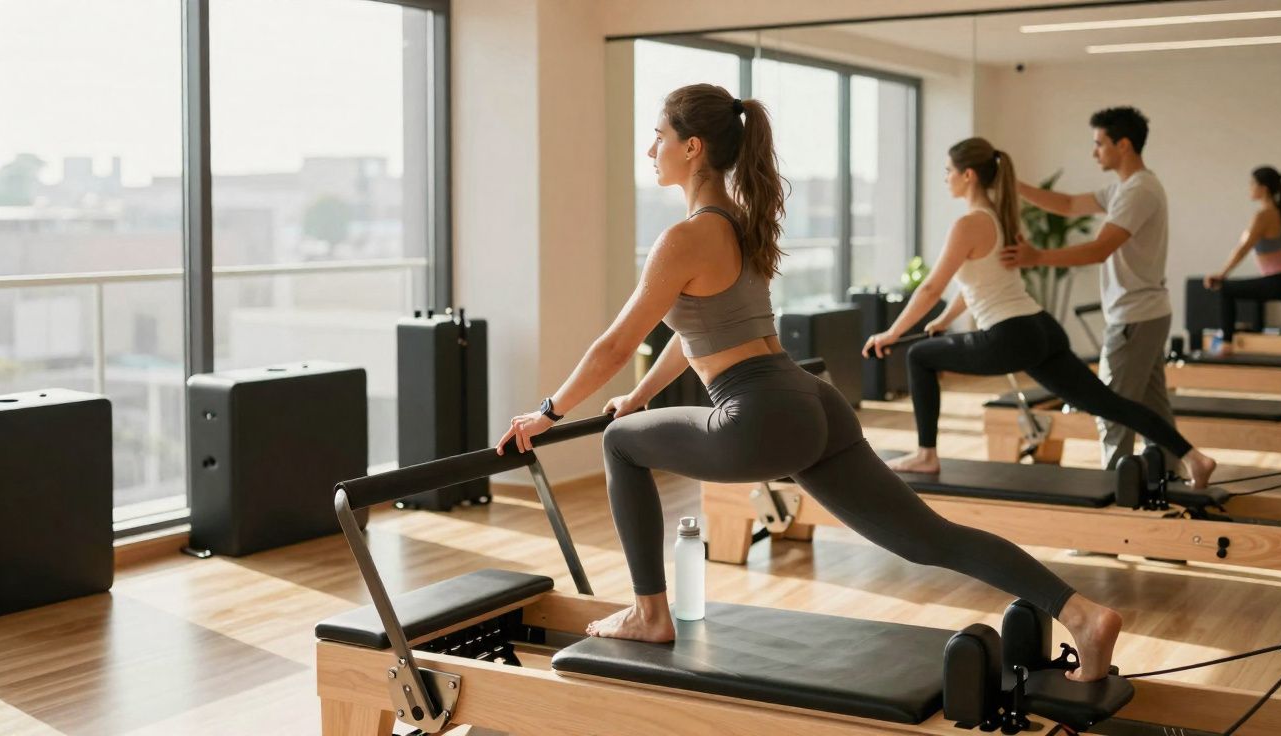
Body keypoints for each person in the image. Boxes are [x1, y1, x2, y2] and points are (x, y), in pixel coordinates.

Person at [495, 84, 1121, 681]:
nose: (648, 148)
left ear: (692, 147)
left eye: (657, 135)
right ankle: (1082, 614)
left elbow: (614, 344)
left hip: (758, 412)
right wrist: (640, 396)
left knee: (618, 443)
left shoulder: (682, 238)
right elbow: (700, 335)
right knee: (929, 538)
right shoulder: (741, 220)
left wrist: (546, 412)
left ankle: (649, 612)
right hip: (812, 402)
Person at [863, 138, 1216, 490]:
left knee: (919, 356)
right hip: (1040, 328)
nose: (945, 178)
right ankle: (1193, 457)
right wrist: (943, 320)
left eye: (948, 171)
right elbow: (980, 283)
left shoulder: (967, 224)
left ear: (968, 175)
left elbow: (930, 289)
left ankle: (926, 454)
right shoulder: (1000, 218)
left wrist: (891, 333)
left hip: (1009, 336)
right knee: (1110, 403)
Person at [1001, 106, 1176, 472]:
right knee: (1152, 405)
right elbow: (1066, 204)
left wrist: (1036, 256)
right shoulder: (1126, 187)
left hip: (1135, 315)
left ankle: (1115, 486)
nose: (1094, 152)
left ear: (1123, 144)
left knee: (1110, 407)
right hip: (1146, 312)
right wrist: (1011, 184)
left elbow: (1099, 249)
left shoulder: (1138, 191)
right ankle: (1173, 472)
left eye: (1099, 144)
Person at [1204, 167, 1281, 348]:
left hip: (1280, 280)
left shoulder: (1263, 215)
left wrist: (1222, 275)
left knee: (1226, 289)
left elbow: (1243, 249)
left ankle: (1226, 344)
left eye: (1252, 184)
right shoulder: (1276, 212)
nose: (1250, 188)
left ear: (1263, 188)